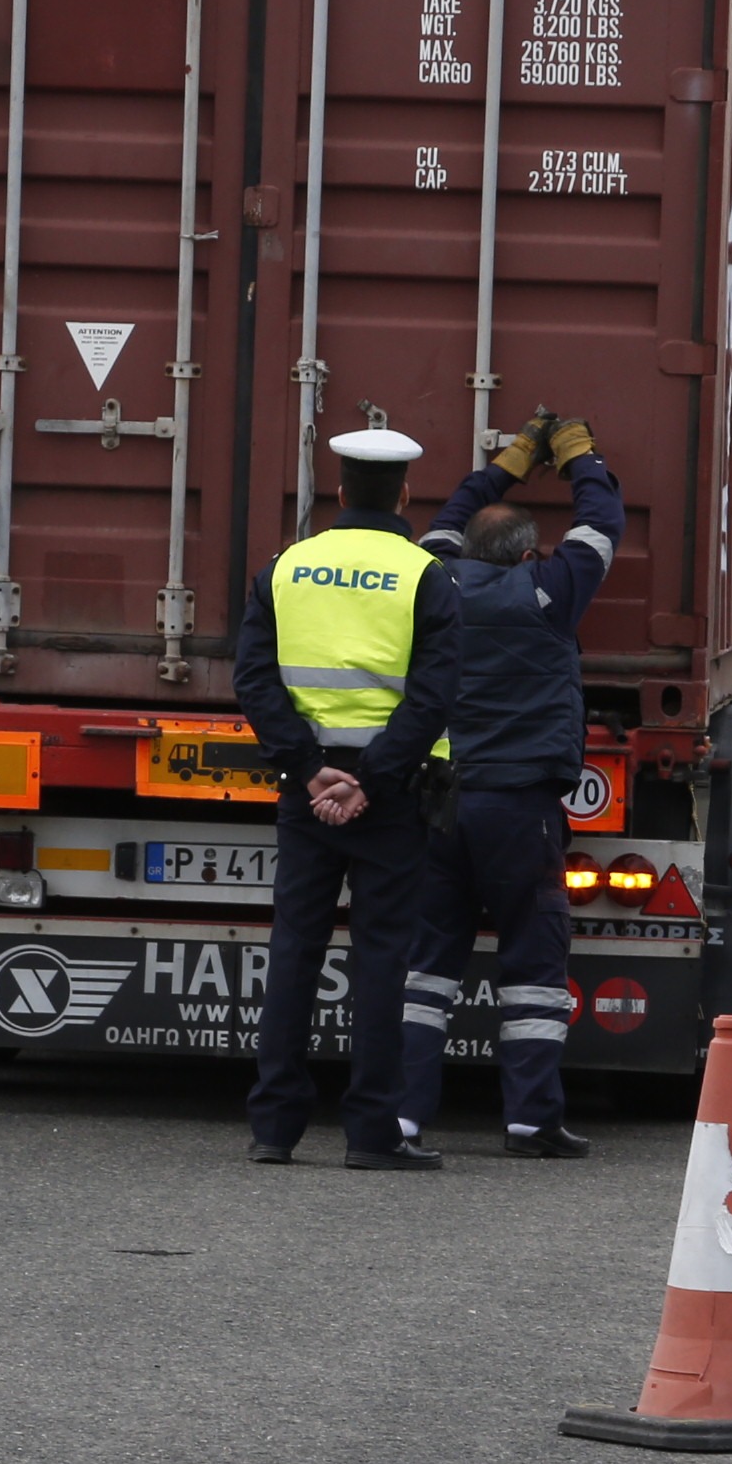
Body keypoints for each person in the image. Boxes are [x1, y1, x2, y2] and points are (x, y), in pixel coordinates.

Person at [232, 426, 461, 1168]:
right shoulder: (425, 575)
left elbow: (256, 682)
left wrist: (309, 771)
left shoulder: (286, 568)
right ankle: (371, 1134)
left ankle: (274, 1129)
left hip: (309, 791)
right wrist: (373, 776)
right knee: (382, 958)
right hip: (390, 793)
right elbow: (433, 696)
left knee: (295, 949)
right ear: (404, 494)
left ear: (336, 493)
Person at [403, 413, 622, 1156]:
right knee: (532, 965)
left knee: (427, 964)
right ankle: (530, 1119)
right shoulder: (551, 594)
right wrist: (579, 458)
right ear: (531, 554)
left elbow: (450, 517)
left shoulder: (433, 582)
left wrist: (510, 462)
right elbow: (602, 523)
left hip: (439, 803)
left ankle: (403, 1116)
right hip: (519, 808)